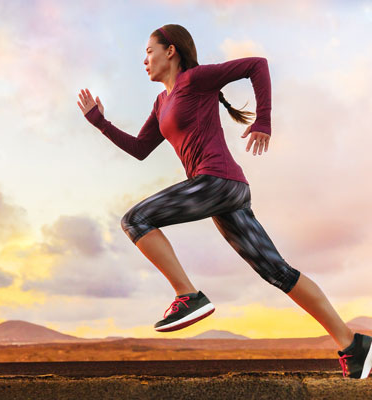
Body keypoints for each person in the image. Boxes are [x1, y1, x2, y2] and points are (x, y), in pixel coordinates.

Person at [74, 24, 369, 379]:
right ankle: (353, 344)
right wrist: (100, 122)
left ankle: (188, 296)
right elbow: (140, 150)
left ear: (170, 51)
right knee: (277, 271)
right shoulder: (161, 102)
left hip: (217, 181)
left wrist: (264, 120)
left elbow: (256, 65)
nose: (144, 60)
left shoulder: (196, 79)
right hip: (223, 191)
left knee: (135, 220)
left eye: (149, 51)